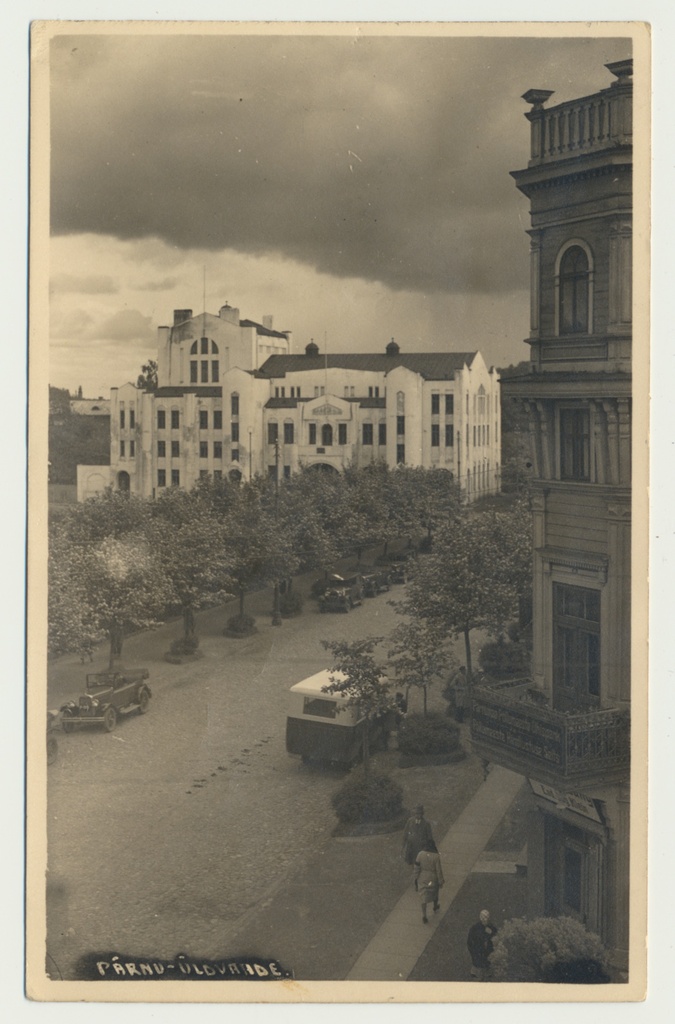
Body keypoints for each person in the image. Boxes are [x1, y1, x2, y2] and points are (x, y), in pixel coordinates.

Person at [414, 839, 444, 923]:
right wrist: (440, 881)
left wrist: (415, 878)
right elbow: (438, 870)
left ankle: (424, 915)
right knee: (435, 893)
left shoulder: (420, 854)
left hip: (422, 878)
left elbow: (416, 867)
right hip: (433, 878)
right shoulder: (436, 856)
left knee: (423, 898)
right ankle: (435, 906)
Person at [467, 909, 498, 980]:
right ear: (480, 917)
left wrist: (491, 933)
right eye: (483, 917)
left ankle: (486, 975)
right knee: (478, 970)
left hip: (487, 952)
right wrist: (473, 951)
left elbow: (496, 937)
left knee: (487, 966)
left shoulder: (491, 927)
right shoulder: (475, 928)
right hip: (478, 952)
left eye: (486, 917)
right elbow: (470, 941)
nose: (485, 919)